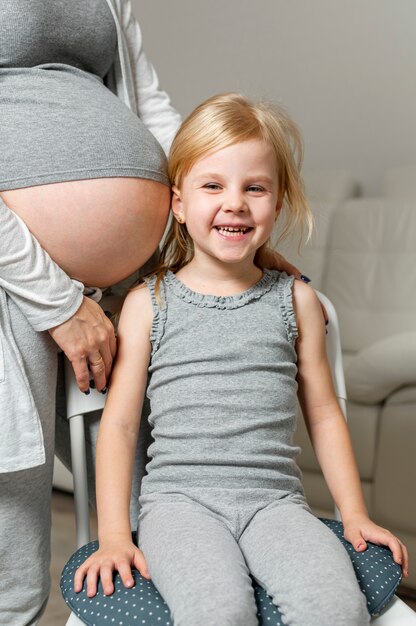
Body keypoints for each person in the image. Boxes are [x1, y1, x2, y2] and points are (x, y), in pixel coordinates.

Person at [74, 93, 408, 626]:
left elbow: (323, 414)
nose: (235, 202)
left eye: (255, 187)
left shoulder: (296, 300)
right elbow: (119, 425)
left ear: (277, 203)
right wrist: (115, 533)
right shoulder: (148, 303)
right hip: (179, 506)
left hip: (275, 502)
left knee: (339, 611)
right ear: (179, 204)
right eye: (213, 186)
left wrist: (355, 514)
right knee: (219, 613)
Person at [0, 1, 182, 624]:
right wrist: (55, 298)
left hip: (122, 285)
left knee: (144, 504)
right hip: (12, 276)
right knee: (10, 538)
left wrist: (208, 217)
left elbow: (150, 105)